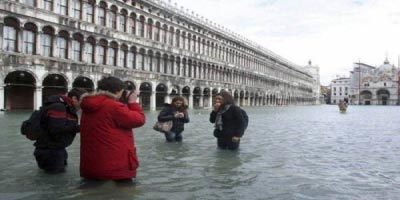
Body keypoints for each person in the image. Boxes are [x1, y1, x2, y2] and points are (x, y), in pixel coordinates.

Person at [79, 76, 146, 181]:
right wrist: (133, 102)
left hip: (91, 166)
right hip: (115, 168)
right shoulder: (113, 106)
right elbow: (139, 120)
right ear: (118, 91)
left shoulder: (88, 105)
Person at [34, 88, 87, 173]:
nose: (84, 104)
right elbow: (56, 129)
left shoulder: (65, 107)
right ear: (74, 98)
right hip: (50, 152)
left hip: (57, 149)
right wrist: (82, 127)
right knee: (54, 180)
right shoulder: (59, 107)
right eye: (83, 101)